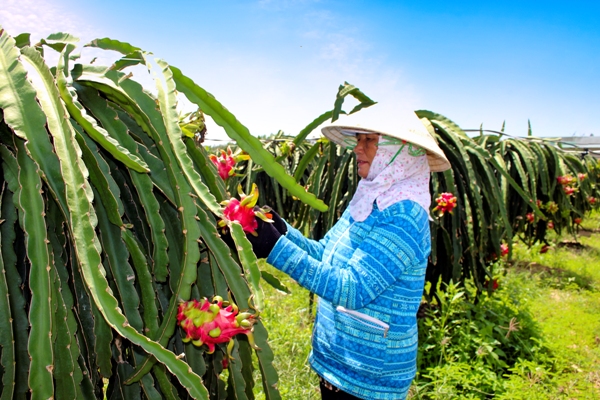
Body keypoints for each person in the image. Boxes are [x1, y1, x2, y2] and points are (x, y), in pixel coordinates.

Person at [245, 107, 451, 400]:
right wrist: (282, 230)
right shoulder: (368, 198)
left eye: (370, 139)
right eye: (358, 139)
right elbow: (325, 253)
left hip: (370, 379)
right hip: (337, 363)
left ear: (400, 153)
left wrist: (274, 248)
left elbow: (353, 288)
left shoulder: (404, 215)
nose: (358, 148)